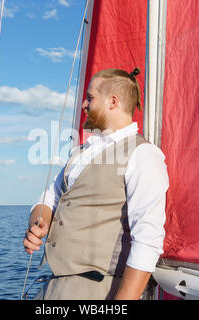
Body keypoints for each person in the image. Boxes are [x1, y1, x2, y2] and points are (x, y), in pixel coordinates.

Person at [23, 68, 169, 300]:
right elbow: (48, 198)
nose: (84, 104)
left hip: (100, 290)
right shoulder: (81, 154)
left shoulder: (143, 155)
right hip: (54, 288)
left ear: (113, 101)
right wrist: (39, 223)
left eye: (90, 97)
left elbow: (147, 240)